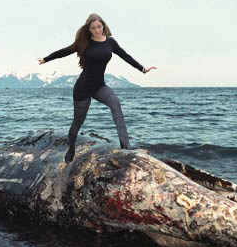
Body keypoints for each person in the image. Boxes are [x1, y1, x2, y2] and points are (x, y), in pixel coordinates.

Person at [39, 13, 156, 162]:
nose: (97, 30)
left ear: (103, 26)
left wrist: (142, 69)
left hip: (99, 86)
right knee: (78, 122)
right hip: (83, 88)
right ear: (89, 29)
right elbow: (64, 51)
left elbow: (125, 56)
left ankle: (126, 147)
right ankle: (71, 148)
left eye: (99, 27)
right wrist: (46, 59)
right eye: (93, 28)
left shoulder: (111, 42)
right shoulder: (84, 43)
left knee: (116, 105)